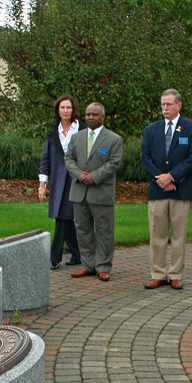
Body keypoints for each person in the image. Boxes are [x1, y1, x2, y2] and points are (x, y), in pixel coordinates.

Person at [140, 89, 192, 290]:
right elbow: (145, 158)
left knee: (178, 235)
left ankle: (175, 274)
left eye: (169, 104)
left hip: (181, 189)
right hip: (158, 190)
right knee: (156, 234)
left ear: (179, 105)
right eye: (162, 104)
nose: (165, 108)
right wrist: (161, 179)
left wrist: (172, 176)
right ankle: (158, 273)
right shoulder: (152, 129)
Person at [64, 102, 123, 282]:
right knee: (83, 230)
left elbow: (114, 163)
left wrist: (94, 176)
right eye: (88, 114)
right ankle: (88, 264)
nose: (90, 117)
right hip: (79, 191)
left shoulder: (114, 139)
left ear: (103, 117)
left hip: (101, 192)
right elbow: (68, 158)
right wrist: (79, 175)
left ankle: (103, 266)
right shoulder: (77, 138)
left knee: (104, 230)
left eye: (94, 115)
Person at [38, 94, 82, 270]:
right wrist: (43, 185)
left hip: (77, 181)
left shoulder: (83, 131)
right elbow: (46, 160)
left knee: (63, 217)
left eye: (69, 107)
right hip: (58, 182)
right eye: (62, 107)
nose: (65, 111)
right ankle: (77, 253)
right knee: (65, 217)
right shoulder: (52, 133)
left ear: (73, 110)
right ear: (58, 110)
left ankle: (54, 257)